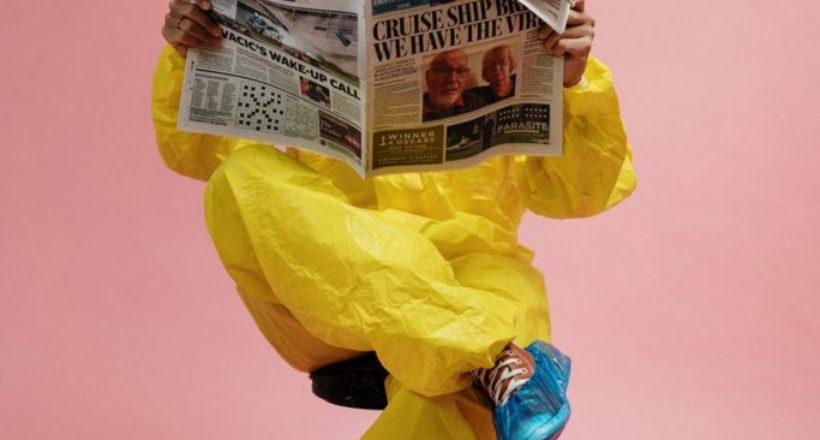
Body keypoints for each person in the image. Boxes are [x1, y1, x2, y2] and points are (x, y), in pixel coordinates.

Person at [156, 0, 633, 438]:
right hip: (334, 289)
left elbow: (577, 195)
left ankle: (487, 361)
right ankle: (493, 356)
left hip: (473, 273)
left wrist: (575, 82)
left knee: (460, 390)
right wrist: (189, 54)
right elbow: (194, 155)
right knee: (240, 176)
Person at [422, 49, 484, 122]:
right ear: (428, 76)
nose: (453, 79)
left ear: (467, 76)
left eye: (460, 71)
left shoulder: (475, 102)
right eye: (443, 70)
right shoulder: (419, 108)